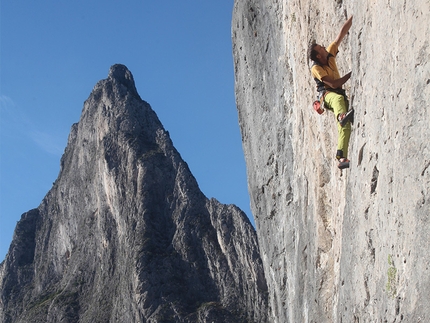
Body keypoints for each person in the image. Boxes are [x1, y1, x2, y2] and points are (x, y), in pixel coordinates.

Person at [309, 16, 354, 169]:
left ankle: (341, 158)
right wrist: (350, 75)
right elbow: (333, 84)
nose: (324, 47)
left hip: (339, 94)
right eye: (320, 48)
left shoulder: (329, 54)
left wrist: (353, 17)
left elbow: (341, 34)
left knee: (345, 126)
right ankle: (341, 116)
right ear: (318, 56)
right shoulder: (316, 68)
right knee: (338, 102)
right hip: (327, 96)